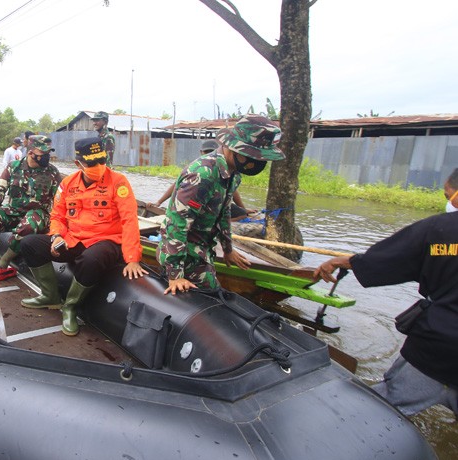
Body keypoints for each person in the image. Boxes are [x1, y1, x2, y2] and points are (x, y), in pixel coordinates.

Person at [314, 168, 458, 418]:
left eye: (448, 195)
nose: (448, 202)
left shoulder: (439, 230)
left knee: (382, 408)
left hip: (440, 349)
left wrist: (341, 262)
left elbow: (384, 260)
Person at [19, 137, 148, 336]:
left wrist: (132, 259)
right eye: (92, 163)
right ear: (77, 163)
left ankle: (70, 306)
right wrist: (56, 237)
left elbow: (129, 220)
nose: (98, 167)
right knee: (30, 243)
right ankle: (50, 295)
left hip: (106, 241)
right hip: (74, 239)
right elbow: (57, 216)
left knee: (91, 259)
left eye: (101, 161)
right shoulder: (68, 184)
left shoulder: (118, 182)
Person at [158, 115, 285, 294]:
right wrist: (175, 275)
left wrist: (228, 249)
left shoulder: (233, 173)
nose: (257, 162)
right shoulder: (203, 175)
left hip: (205, 246)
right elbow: (176, 223)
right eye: (254, 156)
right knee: (212, 295)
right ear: (236, 148)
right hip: (184, 251)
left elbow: (224, 212)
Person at [0, 134, 62, 269]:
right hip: (14, 211)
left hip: (39, 214)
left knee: (28, 224)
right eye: (42, 152)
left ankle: (5, 261)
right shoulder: (13, 167)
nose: (46, 156)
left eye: (48, 152)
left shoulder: (52, 172)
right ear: (30, 152)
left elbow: (61, 200)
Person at [152, 140, 257, 220]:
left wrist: (243, 209)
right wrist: (159, 202)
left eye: (212, 151)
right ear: (201, 152)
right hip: (199, 207)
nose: (210, 154)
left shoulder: (228, 169)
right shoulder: (199, 170)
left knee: (241, 215)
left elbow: (232, 191)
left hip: (217, 204)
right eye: (207, 152)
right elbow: (177, 187)